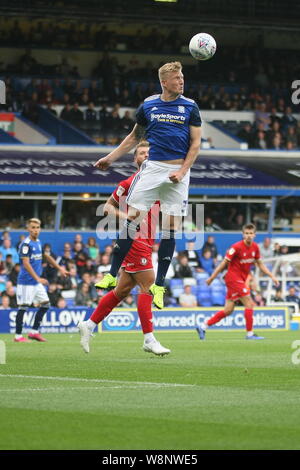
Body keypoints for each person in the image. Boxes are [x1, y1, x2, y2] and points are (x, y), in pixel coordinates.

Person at [94, 61, 201, 311]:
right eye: (176, 78)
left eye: (182, 77)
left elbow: (195, 144)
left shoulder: (190, 107)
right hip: (153, 169)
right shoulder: (149, 105)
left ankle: (159, 286)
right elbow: (134, 136)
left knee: (171, 227)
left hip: (179, 171)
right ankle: (111, 274)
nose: (181, 81)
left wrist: (183, 170)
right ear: (164, 82)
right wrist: (110, 158)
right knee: (132, 218)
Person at [78, 141, 170, 356]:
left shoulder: (160, 182)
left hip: (148, 240)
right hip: (134, 239)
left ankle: (89, 325)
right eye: (141, 153)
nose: (146, 155)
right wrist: (125, 216)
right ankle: (149, 338)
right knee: (149, 285)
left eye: (149, 153)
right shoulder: (129, 183)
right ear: (135, 159)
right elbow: (108, 206)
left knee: (122, 290)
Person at [196, 224, 279, 340]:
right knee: (249, 303)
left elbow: (260, 264)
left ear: (254, 235)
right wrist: (212, 278)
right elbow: (223, 263)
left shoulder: (255, 248)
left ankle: (203, 326)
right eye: (246, 233)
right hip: (233, 279)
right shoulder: (236, 247)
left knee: (228, 310)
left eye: (251, 233)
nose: (249, 236)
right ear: (243, 234)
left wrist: (272, 276)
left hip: (241, 279)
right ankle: (250, 334)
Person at [15, 218, 69, 343]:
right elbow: (26, 264)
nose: (35, 230)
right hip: (26, 282)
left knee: (46, 305)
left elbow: (46, 256)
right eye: (33, 227)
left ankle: (34, 332)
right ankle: (18, 336)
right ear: (28, 229)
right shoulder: (26, 244)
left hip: (36, 282)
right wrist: (38, 278)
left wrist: (60, 268)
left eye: (37, 227)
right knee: (23, 307)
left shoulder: (38, 242)